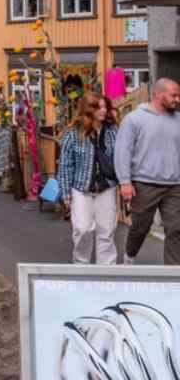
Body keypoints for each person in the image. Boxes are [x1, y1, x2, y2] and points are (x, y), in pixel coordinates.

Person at [116, 78, 180, 265]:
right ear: (159, 94)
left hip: (175, 185)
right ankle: (129, 255)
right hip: (144, 183)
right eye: (174, 95)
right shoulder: (134, 119)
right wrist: (125, 182)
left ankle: (174, 275)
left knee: (176, 230)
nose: (178, 99)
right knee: (140, 227)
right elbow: (122, 151)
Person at [59, 94, 120, 265]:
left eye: (105, 107)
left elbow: (120, 158)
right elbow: (65, 164)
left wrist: (124, 182)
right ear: (89, 110)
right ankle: (81, 266)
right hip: (81, 189)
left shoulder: (112, 131)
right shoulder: (73, 134)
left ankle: (107, 273)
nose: (103, 110)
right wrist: (65, 193)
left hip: (107, 188)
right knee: (83, 229)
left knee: (106, 232)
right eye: (99, 107)